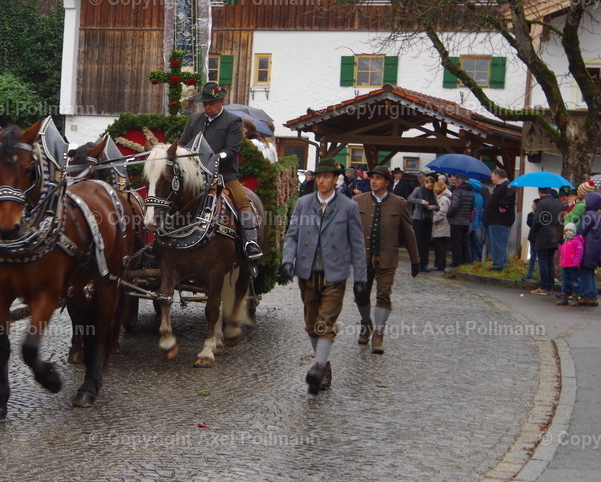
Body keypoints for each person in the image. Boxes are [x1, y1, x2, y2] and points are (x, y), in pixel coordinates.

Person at [280, 158, 367, 394]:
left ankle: (317, 367)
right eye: (318, 176)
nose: (321, 180)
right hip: (307, 272)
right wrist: (288, 261)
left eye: (326, 176)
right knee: (311, 324)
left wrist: (361, 278)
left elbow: (357, 245)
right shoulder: (303, 203)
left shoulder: (348, 207)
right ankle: (325, 363)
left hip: (334, 273)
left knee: (325, 322)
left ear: (335, 179)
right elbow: (292, 236)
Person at [179, 82, 262, 260]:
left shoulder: (233, 121)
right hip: (194, 175)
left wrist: (214, 158)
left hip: (224, 174)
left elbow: (232, 150)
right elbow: (182, 143)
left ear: (221, 101)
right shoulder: (194, 120)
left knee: (241, 199)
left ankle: (250, 242)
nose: (207, 107)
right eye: (204, 104)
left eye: (211, 103)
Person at [353, 166, 420, 355]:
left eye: (378, 179)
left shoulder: (399, 203)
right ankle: (366, 323)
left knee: (384, 295)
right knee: (360, 294)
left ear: (387, 182)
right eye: (372, 178)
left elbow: (408, 231)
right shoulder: (358, 201)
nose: (373, 181)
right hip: (362, 258)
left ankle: (378, 335)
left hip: (388, 257)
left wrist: (415, 259)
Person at [528, 187, 562, 295]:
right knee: (550, 262)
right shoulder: (558, 204)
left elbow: (537, 221)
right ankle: (550, 286)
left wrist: (534, 232)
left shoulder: (541, 204)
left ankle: (544, 286)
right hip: (555, 234)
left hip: (543, 235)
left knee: (542, 261)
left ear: (540, 193)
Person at [575, 191, 601, 306]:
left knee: (585, 272)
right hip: (595, 247)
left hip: (587, 247)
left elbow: (581, 230)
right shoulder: (597, 215)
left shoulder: (588, 214)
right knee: (590, 272)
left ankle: (587, 296)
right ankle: (592, 295)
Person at [483, 168, 516, 270]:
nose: (491, 178)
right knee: (496, 243)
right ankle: (501, 263)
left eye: (492, 176)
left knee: (498, 243)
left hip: (499, 220)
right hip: (494, 220)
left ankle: (499, 264)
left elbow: (508, 197)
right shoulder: (500, 186)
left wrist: (503, 205)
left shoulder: (507, 185)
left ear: (498, 176)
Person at [408, 174, 438, 272]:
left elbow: (437, 206)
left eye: (431, 186)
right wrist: (421, 201)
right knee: (418, 242)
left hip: (428, 219)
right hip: (418, 219)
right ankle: (417, 263)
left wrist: (432, 207)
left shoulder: (432, 193)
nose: (430, 188)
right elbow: (410, 199)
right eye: (429, 186)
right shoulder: (418, 190)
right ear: (425, 183)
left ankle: (424, 264)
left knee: (426, 242)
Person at [447, 173, 474, 267]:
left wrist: (448, 214)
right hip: (466, 221)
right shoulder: (471, 192)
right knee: (464, 244)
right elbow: (471, 207)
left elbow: (454, 205)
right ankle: (465, 262)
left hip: (456, 221)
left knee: (456, 244)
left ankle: (456, 263)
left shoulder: (457, 192)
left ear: (458, 182)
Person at [556, 223, 584, 306]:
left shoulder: (576, 242)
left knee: (574, 282)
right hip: (565, 266)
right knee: (565, 282)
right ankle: (564, 297)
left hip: (573, 266)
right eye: (566, 230)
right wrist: (561, 263)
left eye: (570, 230)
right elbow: (562, 255)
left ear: (574, 232)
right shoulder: (565, 242)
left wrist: (576, 264)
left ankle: (575, 298)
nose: (568, 232)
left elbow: (579, 253)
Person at [432, 180, 452, 272]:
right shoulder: (442, 198)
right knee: (439, 247)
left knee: (439, 247)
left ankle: (440, 265)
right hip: (440, 226)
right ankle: (439, 264)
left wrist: (433, 220)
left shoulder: (443, 199)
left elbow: (442, 213)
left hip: (441, 226)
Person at [468, 178, 486, 262]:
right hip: (477, 221)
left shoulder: (471, 195)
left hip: (471, 221)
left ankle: (472, 258)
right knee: (475, 241)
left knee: (470, 242)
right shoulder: (480, 197)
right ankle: (481, 257)